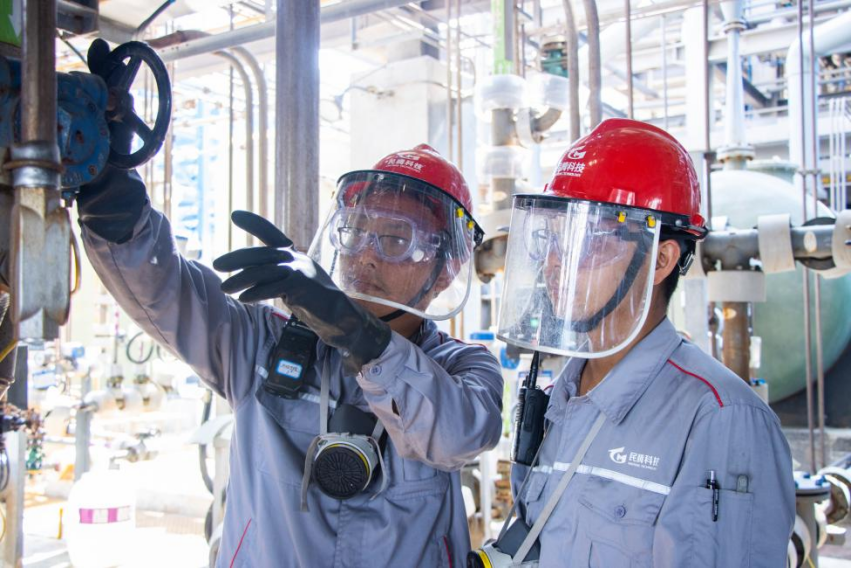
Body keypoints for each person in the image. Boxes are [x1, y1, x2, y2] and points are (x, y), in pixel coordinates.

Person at [77, 51, 503, 566]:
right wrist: (108, 189)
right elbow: (163, 290)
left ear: (446, 269)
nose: (366, 255)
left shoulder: (463, 368)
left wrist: (355, 333)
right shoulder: (265, 342)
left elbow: (457, 434)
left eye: (396, 239)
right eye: (356, 232)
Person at [490, 118, 794, 567]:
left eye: (588, 242)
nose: (555, 264)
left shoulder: (722, 421)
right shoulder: (560, 400)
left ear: (661, 259)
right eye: (551, 240)